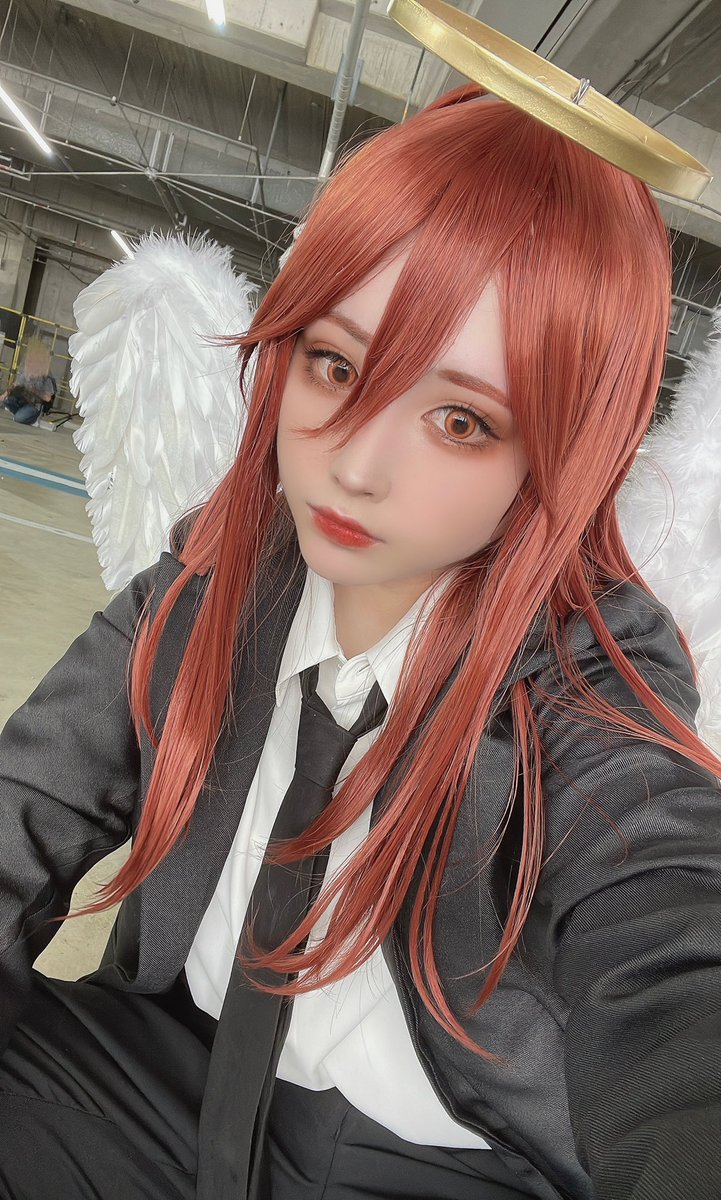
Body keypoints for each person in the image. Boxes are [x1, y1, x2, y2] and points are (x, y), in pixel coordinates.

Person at [0, 83, 720, 1200]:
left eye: (459, 420)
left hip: (449, 1163)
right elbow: (24, 806)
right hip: (157, 1082)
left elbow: (674, 947)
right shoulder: (211, 579)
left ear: (561, 454)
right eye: (335, 366)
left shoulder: (590, 682)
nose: (353, 463)